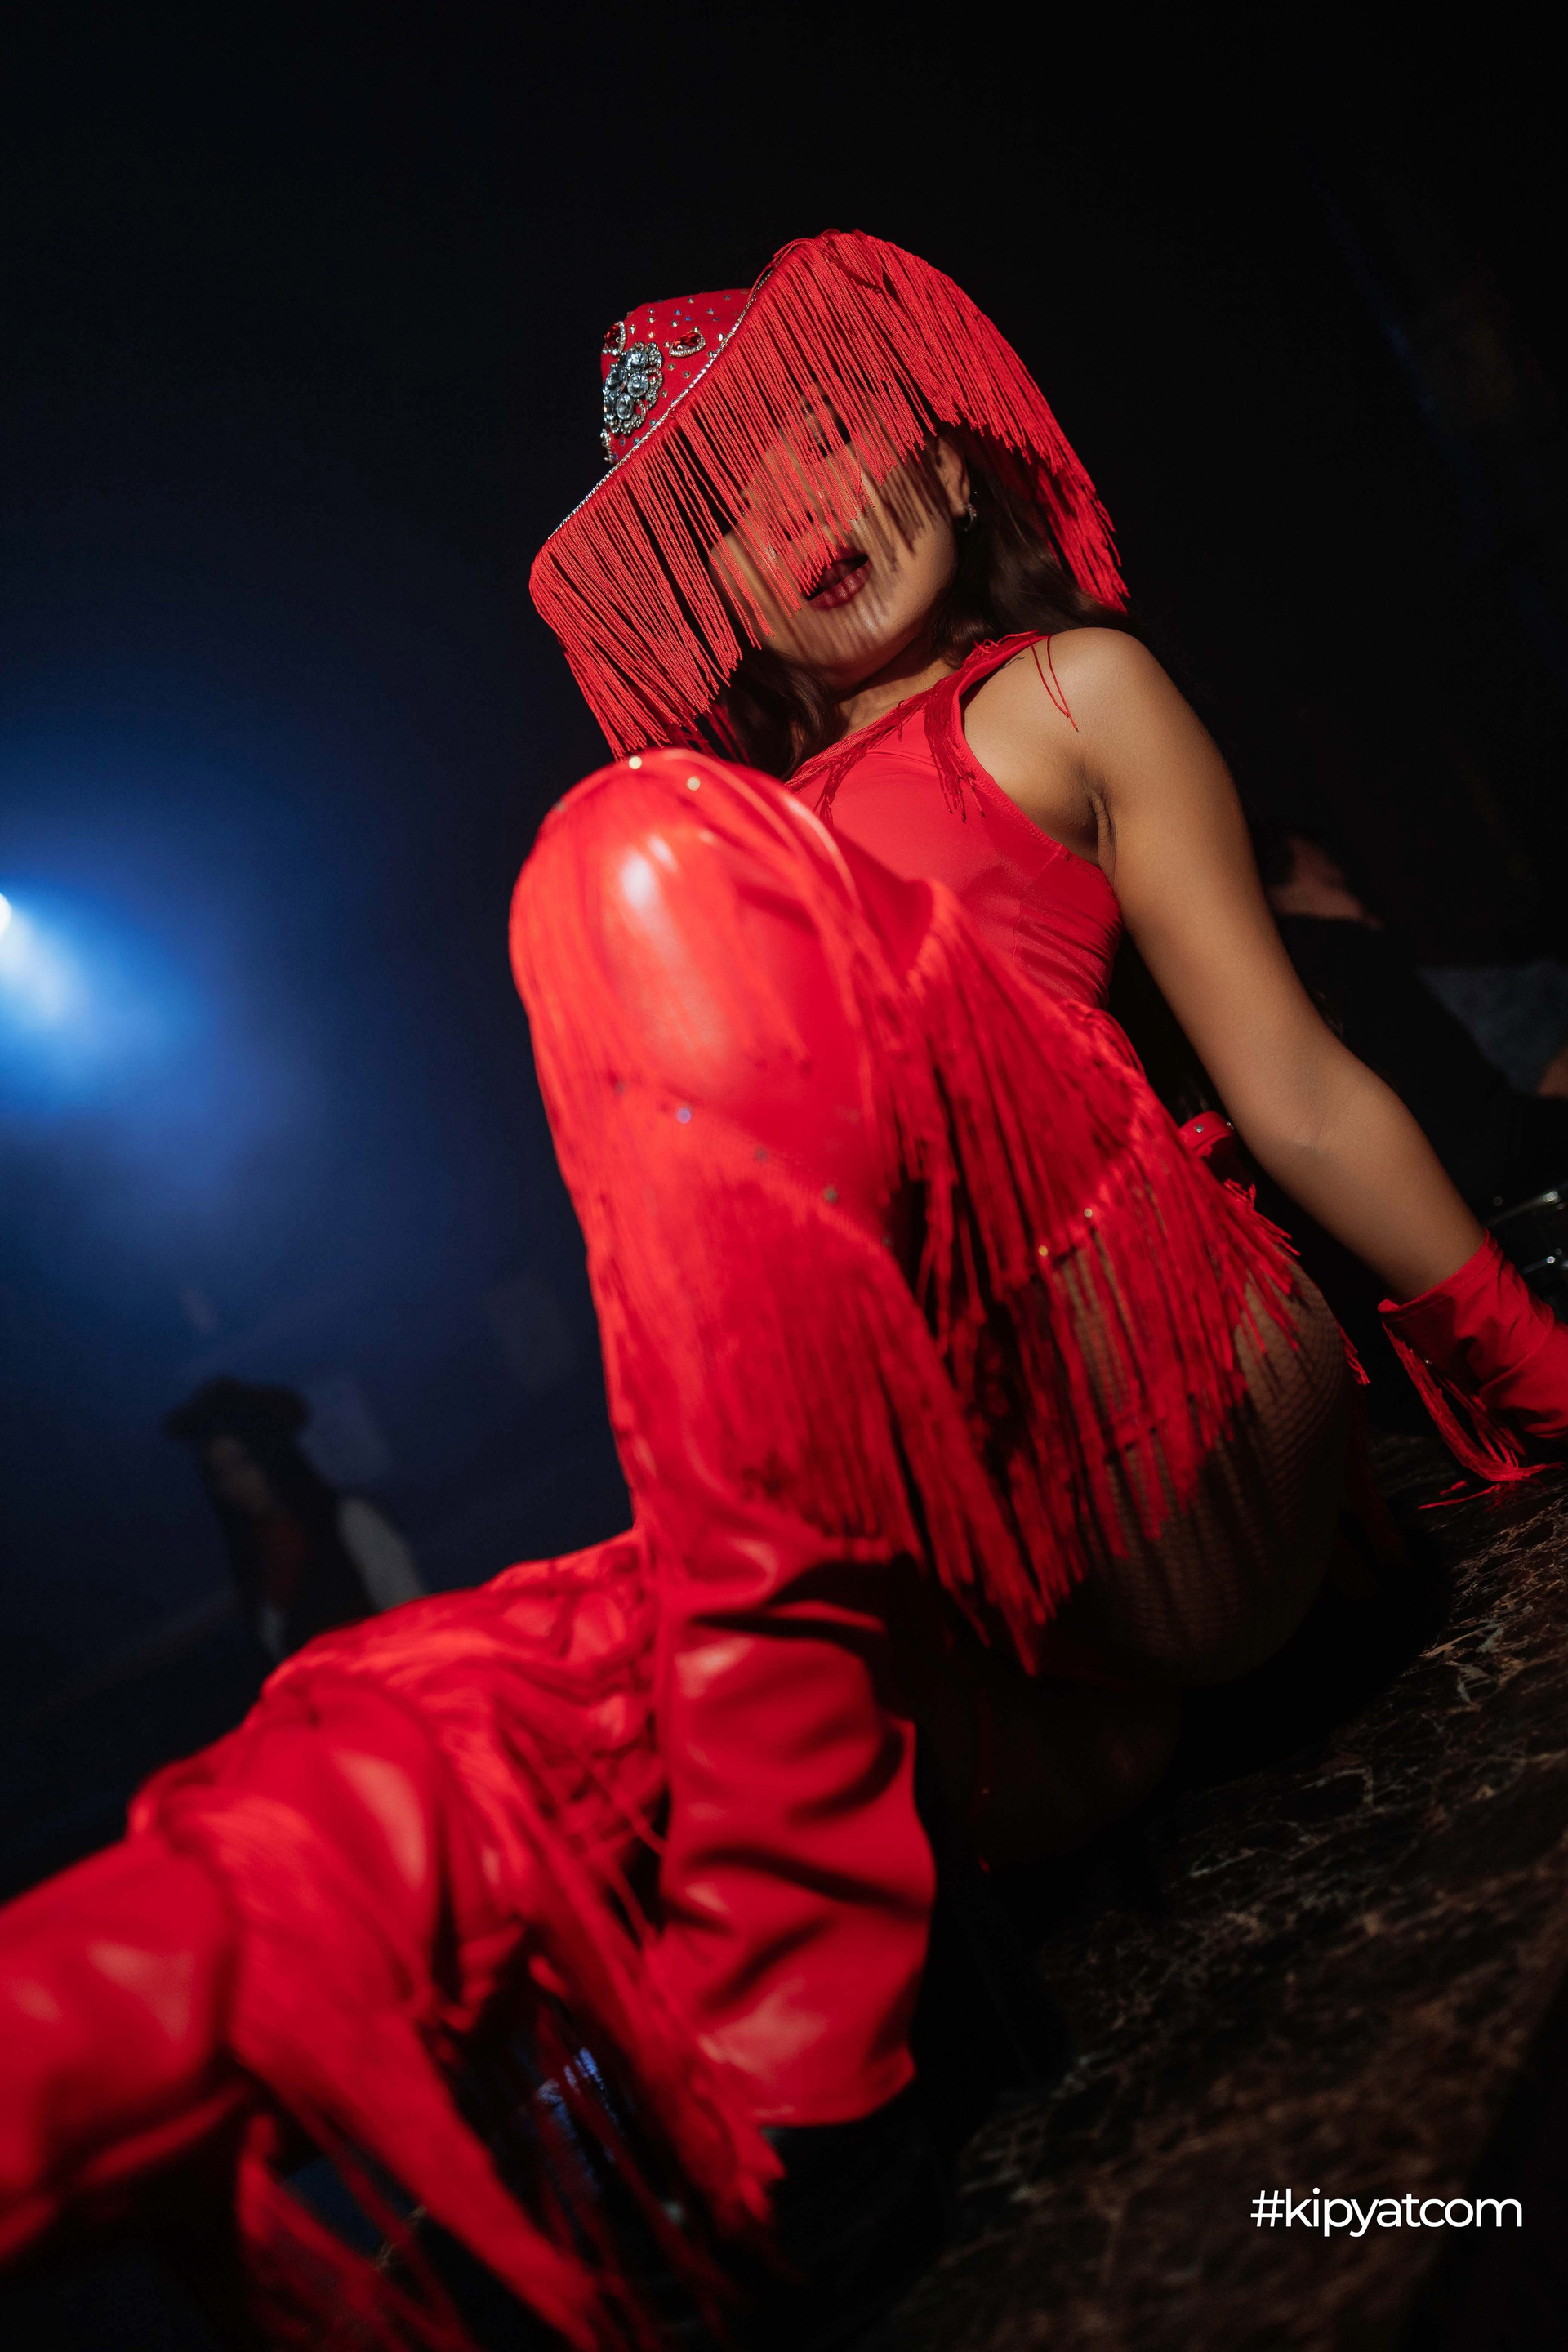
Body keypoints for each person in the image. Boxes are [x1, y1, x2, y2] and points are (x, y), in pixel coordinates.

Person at [7, 229, 1568, 2352]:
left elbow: (1289, 1083)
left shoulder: (1058, 697)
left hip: (1179, 1394)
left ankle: (810, 2009)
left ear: (937, 457)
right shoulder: (723, 846)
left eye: (826, 434)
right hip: (983, 1616)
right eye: (733, 502)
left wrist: (1533, 1370)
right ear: (709, 592)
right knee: (398, 1757)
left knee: (628, 851)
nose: (803, 507)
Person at [1257, 827, 1568, 1214]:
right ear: (1280, 901)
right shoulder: (1348, 960)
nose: (1360, 903)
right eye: (1333, 881)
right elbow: (1484, 1147)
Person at [164, 1376, 425, 1661]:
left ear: (271, 1458)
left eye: (244, 1463)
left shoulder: (349, 1520)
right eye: (221, 1474)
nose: (235, 1484)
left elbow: (413, 1618)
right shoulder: (254, 1557)